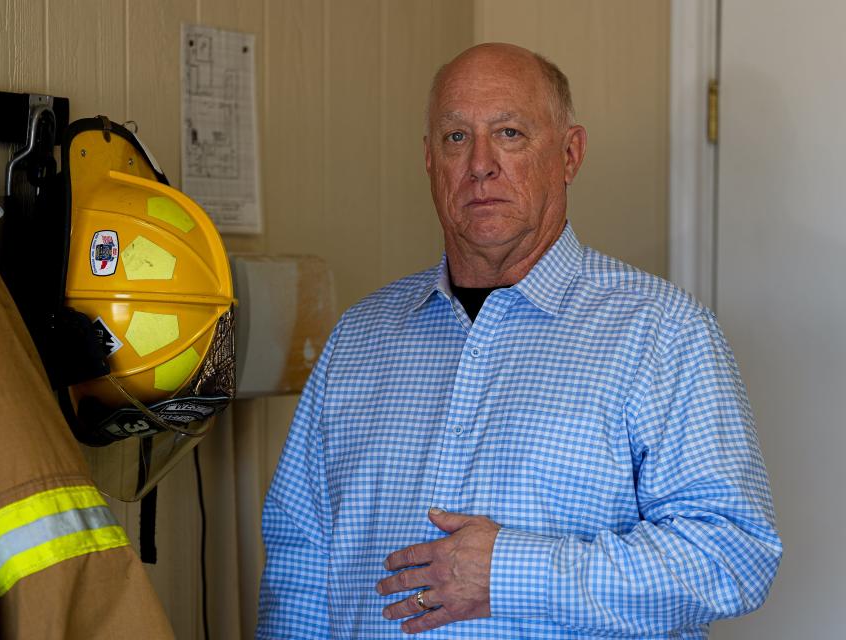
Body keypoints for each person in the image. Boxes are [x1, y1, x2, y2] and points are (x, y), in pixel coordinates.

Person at [257, 43, 781, 639]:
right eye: (456, 137)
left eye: (509, 133)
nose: (480, 163)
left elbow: (731, 558)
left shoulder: (662, 332)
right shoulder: (360, 336)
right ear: (429, 160)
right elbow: (299, 563)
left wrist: (509, 571)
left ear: (569, 153)